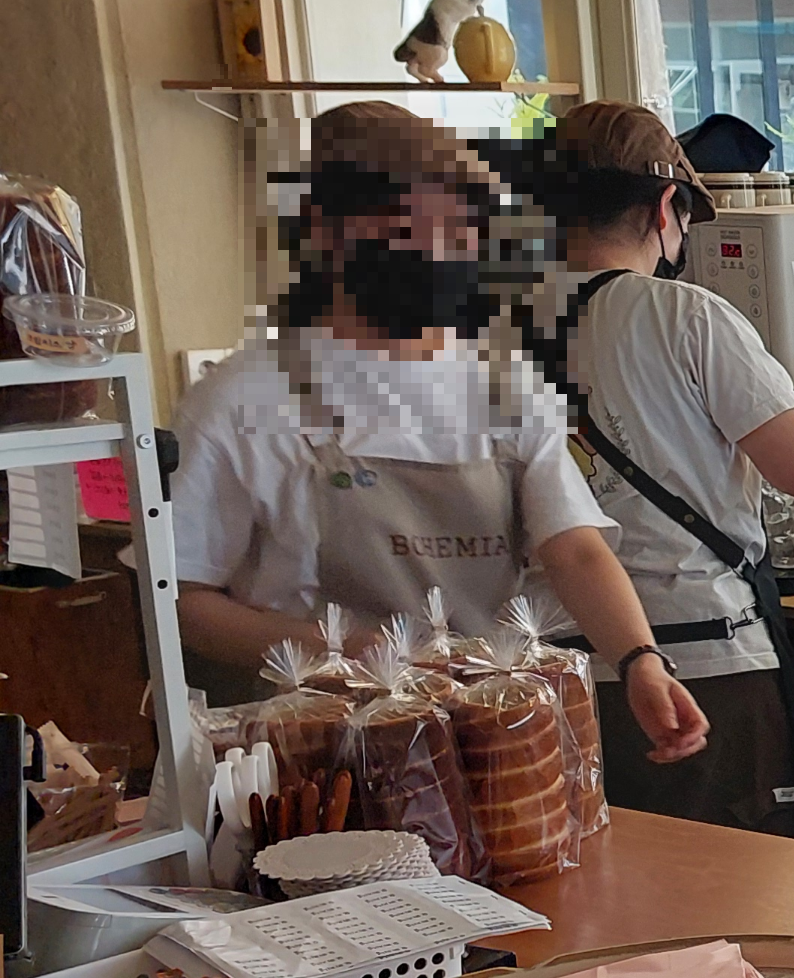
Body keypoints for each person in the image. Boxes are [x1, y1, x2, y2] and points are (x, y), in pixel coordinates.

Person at [173, 102, 709, 768]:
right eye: (406, 231)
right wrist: (335, 647)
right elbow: (186, 600)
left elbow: (573, 548)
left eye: (457, 233)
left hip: (486, 733)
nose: (439, 254)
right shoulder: (246, 398)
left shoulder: (503, 385)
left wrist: (639, 660)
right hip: (318, 748)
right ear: (327, 236)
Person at [523, 101, 794, 837]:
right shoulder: (686, 316)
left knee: (617, 912)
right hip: (703, 667)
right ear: (664, 208)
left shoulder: (494, 327)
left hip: (553, 676)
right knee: (740, 909)